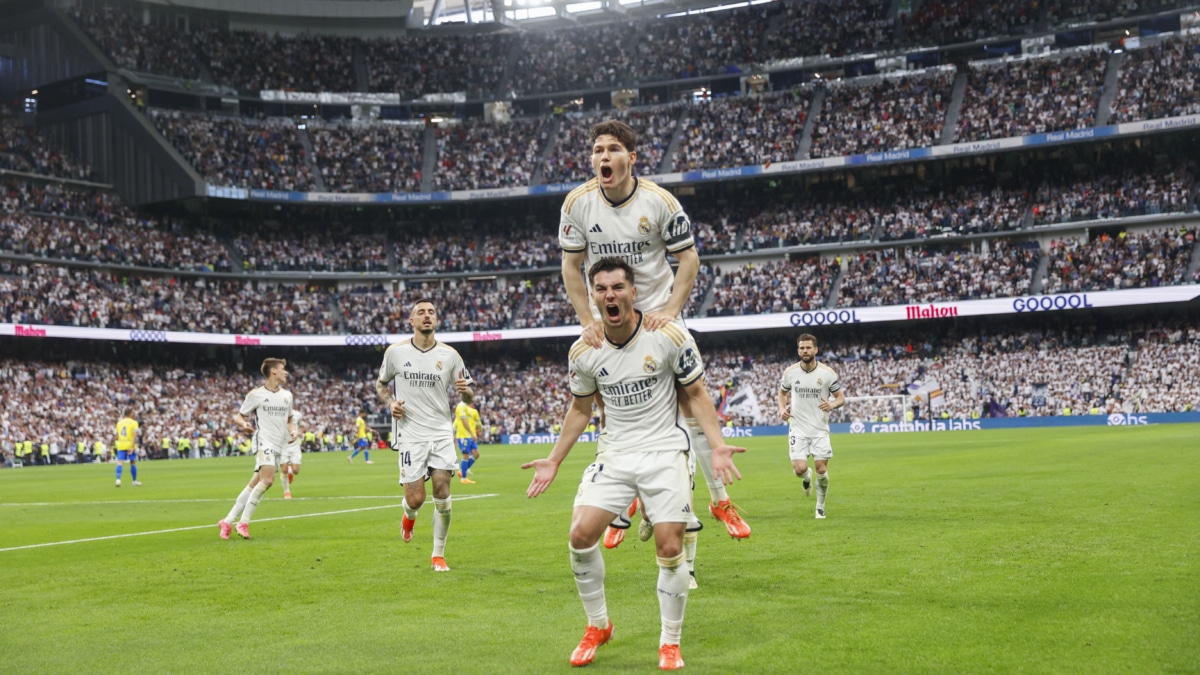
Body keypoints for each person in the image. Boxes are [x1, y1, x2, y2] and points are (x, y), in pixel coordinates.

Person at [523, 258, 744, 670]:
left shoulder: (667, 336)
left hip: (664, 450)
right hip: (615, 453)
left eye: (618, 287)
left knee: (670, 545)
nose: (611, 295)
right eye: (602, 289)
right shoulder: (585, 350)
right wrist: (554, 459)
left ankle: (669, 643)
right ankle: (598, 625)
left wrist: (716, 445)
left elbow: (695, 393)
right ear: (593, 296)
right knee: (580, 534)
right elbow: (579, 408)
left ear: (633, 291)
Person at [558, 119, 750, 542]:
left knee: (688, 403)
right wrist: (585, 320)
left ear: (631, 157)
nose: (602, 157)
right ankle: (624, 497)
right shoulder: (577, 203)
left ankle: (719, 500)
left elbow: (690, 259)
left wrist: (671, 309)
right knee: (609, 402)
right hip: (608, 316)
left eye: (612, 149)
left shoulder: (659, 202)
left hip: (658, 316)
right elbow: (571, 266)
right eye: (597, 150)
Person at [376, 298, 474, 572]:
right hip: (410, 434)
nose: (427, 316)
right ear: (412, 321)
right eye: (421, 312)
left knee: (442, 492)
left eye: (431, 311)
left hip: (441, 432)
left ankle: (438, 554)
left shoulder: (450, 355)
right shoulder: (395, 352)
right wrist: (390, 402)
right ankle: (409, 517)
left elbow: (469, 395)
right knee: (416, 499)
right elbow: (381, 384)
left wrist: (464, 390)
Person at [218, 358, 297, 540]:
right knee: (268, 480)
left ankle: (227, 521)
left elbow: (290, 419)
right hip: (263, 441)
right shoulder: (256, 394)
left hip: (278, 444)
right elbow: (238, 416)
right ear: (273, 371)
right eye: (283, 369)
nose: (286, 372)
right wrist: (243, 423)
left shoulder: (287, 396)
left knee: (255, 483)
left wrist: (293, 431)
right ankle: (243, 522)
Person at [778, 333, 845, 519]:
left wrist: (832, 404)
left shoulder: (827, 373)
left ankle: (820, 506)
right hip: (798, 428)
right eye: (801, 348)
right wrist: (782, 409)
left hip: (819, 429)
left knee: (821, 469)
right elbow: (782, 394)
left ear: (816, 350)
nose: (805, 351)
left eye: (808, 348)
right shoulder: (790, 372)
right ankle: (806, 477)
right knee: (799, 469)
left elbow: (841, 398)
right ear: (798, 350)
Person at [454, 391, 482, 484]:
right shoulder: (461, 407)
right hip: (463, 435)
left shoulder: (469, 409)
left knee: (476, 454)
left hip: (469, 435)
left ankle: (463, 471)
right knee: (465, 455)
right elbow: (463, 421)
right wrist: (472, 433)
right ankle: (463, 478)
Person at [280, 408, 305, 499]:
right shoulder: (278, 412)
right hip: (282, 446)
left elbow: (302, 425)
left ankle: (290, 470)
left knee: (296, 471)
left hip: (295, 446)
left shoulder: (297, 414)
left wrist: (300, 432)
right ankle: (287, 492)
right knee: (284, 470)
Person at [113, 409, 141, 487]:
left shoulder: (119, 422)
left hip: (121, 445)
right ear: (130, 413)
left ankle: (118, 480)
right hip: (130, 445)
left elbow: (117, 436)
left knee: (120, 463)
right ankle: (134, 481)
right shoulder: (134, 422)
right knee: (132, 463)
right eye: (133, 413)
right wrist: (132, 446)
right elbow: (135, 435)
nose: (134, 414)